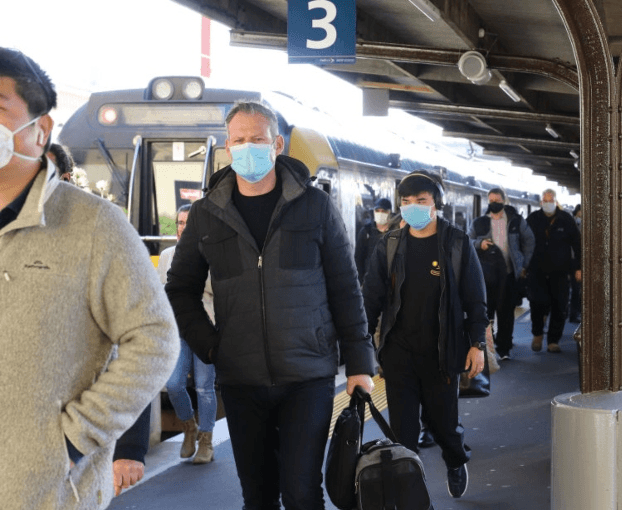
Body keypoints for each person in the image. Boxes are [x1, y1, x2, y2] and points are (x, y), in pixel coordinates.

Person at [165, 100, 375, 510]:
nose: (248, 148)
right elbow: (180, 288)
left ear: (277, 143)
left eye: (257, 140)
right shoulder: (208, 215)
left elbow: (346, 288)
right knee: (258, 497)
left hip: (308, 375)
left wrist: (360, 365)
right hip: (242, 380)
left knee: (301, 493)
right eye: (239, 140)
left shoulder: (314, 206)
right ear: (228, 147)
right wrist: (211, 346)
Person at [0, 47, 179, 509]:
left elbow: (155, 339)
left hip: (47, 493)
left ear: (39, 132)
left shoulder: (95, 226)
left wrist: (75, 440)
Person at [361, 170, 488, 499]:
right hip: (399, 353)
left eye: (421, 201)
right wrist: (359, 348)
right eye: (406, 201)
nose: (413, 207)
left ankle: (456, 460)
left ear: (437, 204)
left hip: (442, 353)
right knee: (403, 432)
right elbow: (371, 298)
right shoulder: (389, 245)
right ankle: (410, 493)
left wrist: (477, 345)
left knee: (444, 426)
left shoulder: (456, 243)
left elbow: (475, 299)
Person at [159, 204, 217, 464]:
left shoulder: (213, 255)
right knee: (173, 383)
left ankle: (206, 441)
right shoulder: (166, 255)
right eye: (179, 223)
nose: (182, 228)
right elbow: (162, 295)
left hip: (205, 327)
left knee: (205, 387)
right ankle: (189, 427)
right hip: (178, 329)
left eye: (187, 223)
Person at [469, 188, 534, 359]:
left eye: (497, 200)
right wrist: (479, 243)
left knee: (506, 313)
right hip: (487, 276)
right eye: (490, 200)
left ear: (504, 201)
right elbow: (468, 241)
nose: (493, 203)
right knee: (486, 313)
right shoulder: (480, 222)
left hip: (509, 274)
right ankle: (488, 349)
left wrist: (523, 263)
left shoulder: (515, 221)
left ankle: (504, 348)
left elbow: (529, 240)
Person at [526, 189, 581, 353]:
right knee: (536, 303)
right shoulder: (533, 219)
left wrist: (578, 267)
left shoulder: (566, 220)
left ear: (556, 201)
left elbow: (577, 244)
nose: (547, 203)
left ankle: (553, 340)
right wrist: (523, 265)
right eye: (544, 200)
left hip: (561, 271)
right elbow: (524, 241)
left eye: (550, 200)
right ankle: (537, 334)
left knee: (559, 305)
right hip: (537, 270)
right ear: (541, 202)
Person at [355, 197, 392, 282]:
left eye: (384, 211)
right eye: (377, 211)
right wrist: (361, 281)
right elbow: (358, 258)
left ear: (390, 212)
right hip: (370, 281)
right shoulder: (366, 232)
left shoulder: (395, 231)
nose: (380, 214)